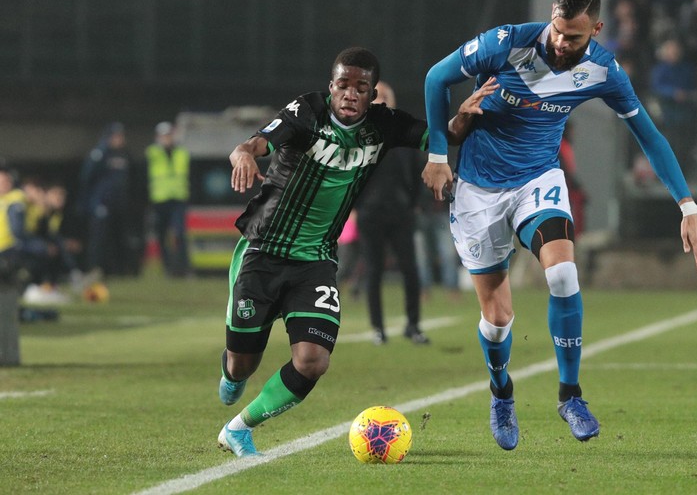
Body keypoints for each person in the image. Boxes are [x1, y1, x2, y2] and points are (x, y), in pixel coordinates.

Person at [422, 0, 697, 450]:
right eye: (556, 31)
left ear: (595, 29)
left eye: (572, 36)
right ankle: (501, 393)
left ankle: (570, 395)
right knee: (497, 319)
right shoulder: (507, 42)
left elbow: (649, 136)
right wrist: (436, 155)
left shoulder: (604, 71)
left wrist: (687, 205)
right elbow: (436, 78)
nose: (560, 42)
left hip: (538, 179)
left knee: (563, 276)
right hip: (478, 187)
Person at [216, 47, 473, 458]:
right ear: (331, 86)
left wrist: (465, 115)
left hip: (315, 260)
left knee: (312, 361)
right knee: (241, 366)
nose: (350, 94)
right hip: (263, 250)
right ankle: (232, 371)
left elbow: (443, 135)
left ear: (372, 95)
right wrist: (244, 151)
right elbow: (261, 141)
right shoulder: (307, 111)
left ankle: (239, 428)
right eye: (342, 85)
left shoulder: (383, 125)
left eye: (360, 88)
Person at [354, 81, 429, 345]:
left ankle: (413, 325)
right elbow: (350, 177)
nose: (382, 100)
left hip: (401, 213)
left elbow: (420, 170)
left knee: (410, 269)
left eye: (386, 94)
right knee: (373, 271)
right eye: (376, 96)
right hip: (370, 213)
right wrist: (354, 208)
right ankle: (378, 328)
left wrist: (416, 202)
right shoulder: (358, 135)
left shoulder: (405, 134)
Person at [77, 122, 133, 275]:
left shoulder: (123, 154)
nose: (120, 139)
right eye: (116, 136)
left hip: (117, 204)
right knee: (98, 239)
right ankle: (94, 268)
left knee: (116, 238)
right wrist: (91, 202)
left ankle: (115, 269)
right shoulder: (99, 154)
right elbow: (87, 179)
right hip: (100, 204)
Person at [145, 121, 191, 277]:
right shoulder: (152, 153)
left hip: (178, 199)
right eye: (164, 136)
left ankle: (183, 269)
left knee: (179, 234)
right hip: (159, 200)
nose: (167, 138)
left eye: (169, 135)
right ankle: (168, 268)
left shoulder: (182, 153)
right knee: (162, 235)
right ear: (158, 137)